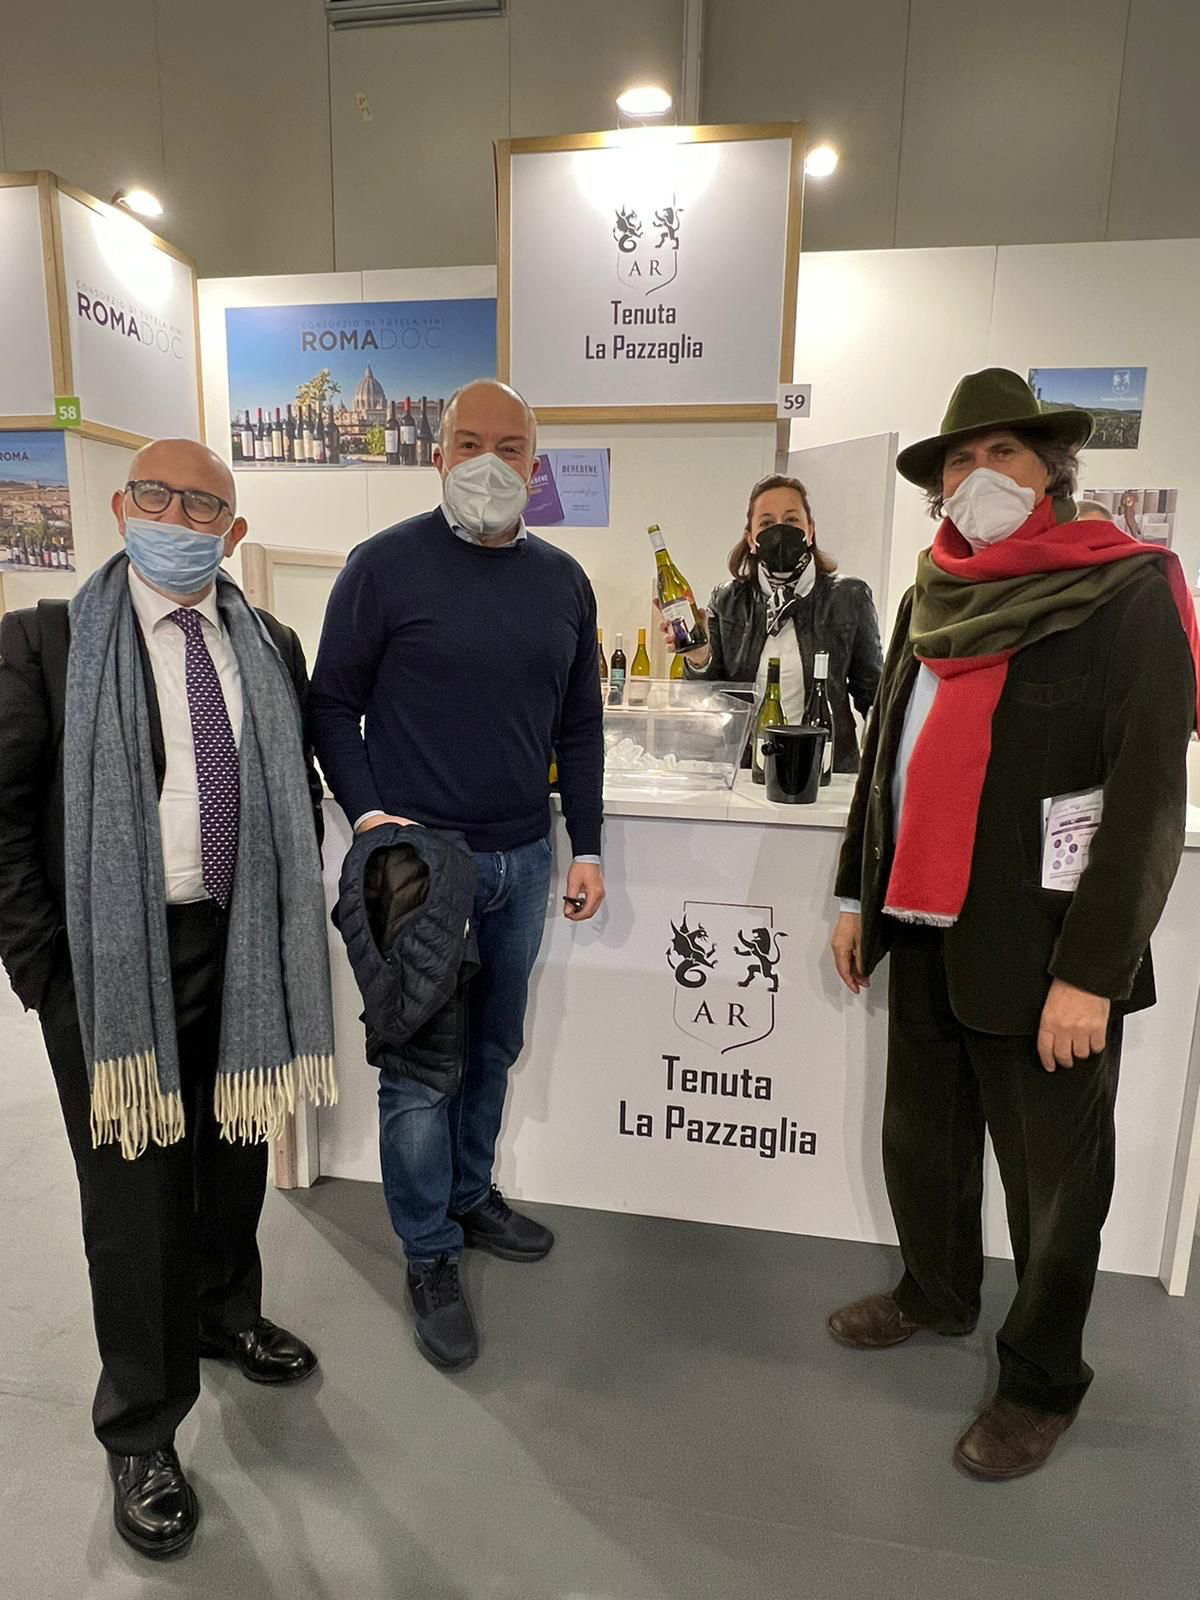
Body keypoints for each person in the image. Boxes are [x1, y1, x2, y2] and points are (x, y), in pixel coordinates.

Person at [828, 369, 1200, 1479]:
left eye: (1003, 454)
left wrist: (1093, 971)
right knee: (922, 1136)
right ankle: (936, 1291)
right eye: (959, 459)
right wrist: (853, 895)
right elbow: (884, 759)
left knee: (1053, 1182)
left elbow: (1146, 799)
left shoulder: (1125, 591)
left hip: (1047, 953)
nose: (977, 475)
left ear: (1053, 470)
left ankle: (1041, 1379)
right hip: (924, 919)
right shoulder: (929, 594)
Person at [0, 439, 336, 1558]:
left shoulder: (270, 643)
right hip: (112, 968)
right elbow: (5, 820)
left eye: (203, 505)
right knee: (135, 1198)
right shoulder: (47, 644)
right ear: (120, 506)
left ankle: (223, 1313)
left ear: (233, 532)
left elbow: (296, 784)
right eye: (157, 496)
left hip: (241, 948)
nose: (178, 518)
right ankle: (141, 1427)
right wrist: (47, 973)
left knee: (234, 1153)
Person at [308, 379, 604, 1373]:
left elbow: (580, 726)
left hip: (524, 857)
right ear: (437, 455)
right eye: (467, 443)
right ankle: (429, 1251)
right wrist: (368, 814)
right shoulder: (383, 567)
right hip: (417, 867)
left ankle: (471, 1197)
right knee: (417, 1070)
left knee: (493, 1044)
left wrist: (587, 844)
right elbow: (331, 703)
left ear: (535, 465)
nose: (488, 462)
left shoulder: (562, 582)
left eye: (509, 447)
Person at [670, 474, 883, 772]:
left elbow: (873, 694)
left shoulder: (849, 597)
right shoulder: (727, 600)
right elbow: (708, 700)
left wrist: (885, 769)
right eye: (767, 523)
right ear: (751, 539)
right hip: (747, 770)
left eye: (792, 520)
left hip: (827, 771)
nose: (780, 531)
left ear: (810, 530)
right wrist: (698, 657)